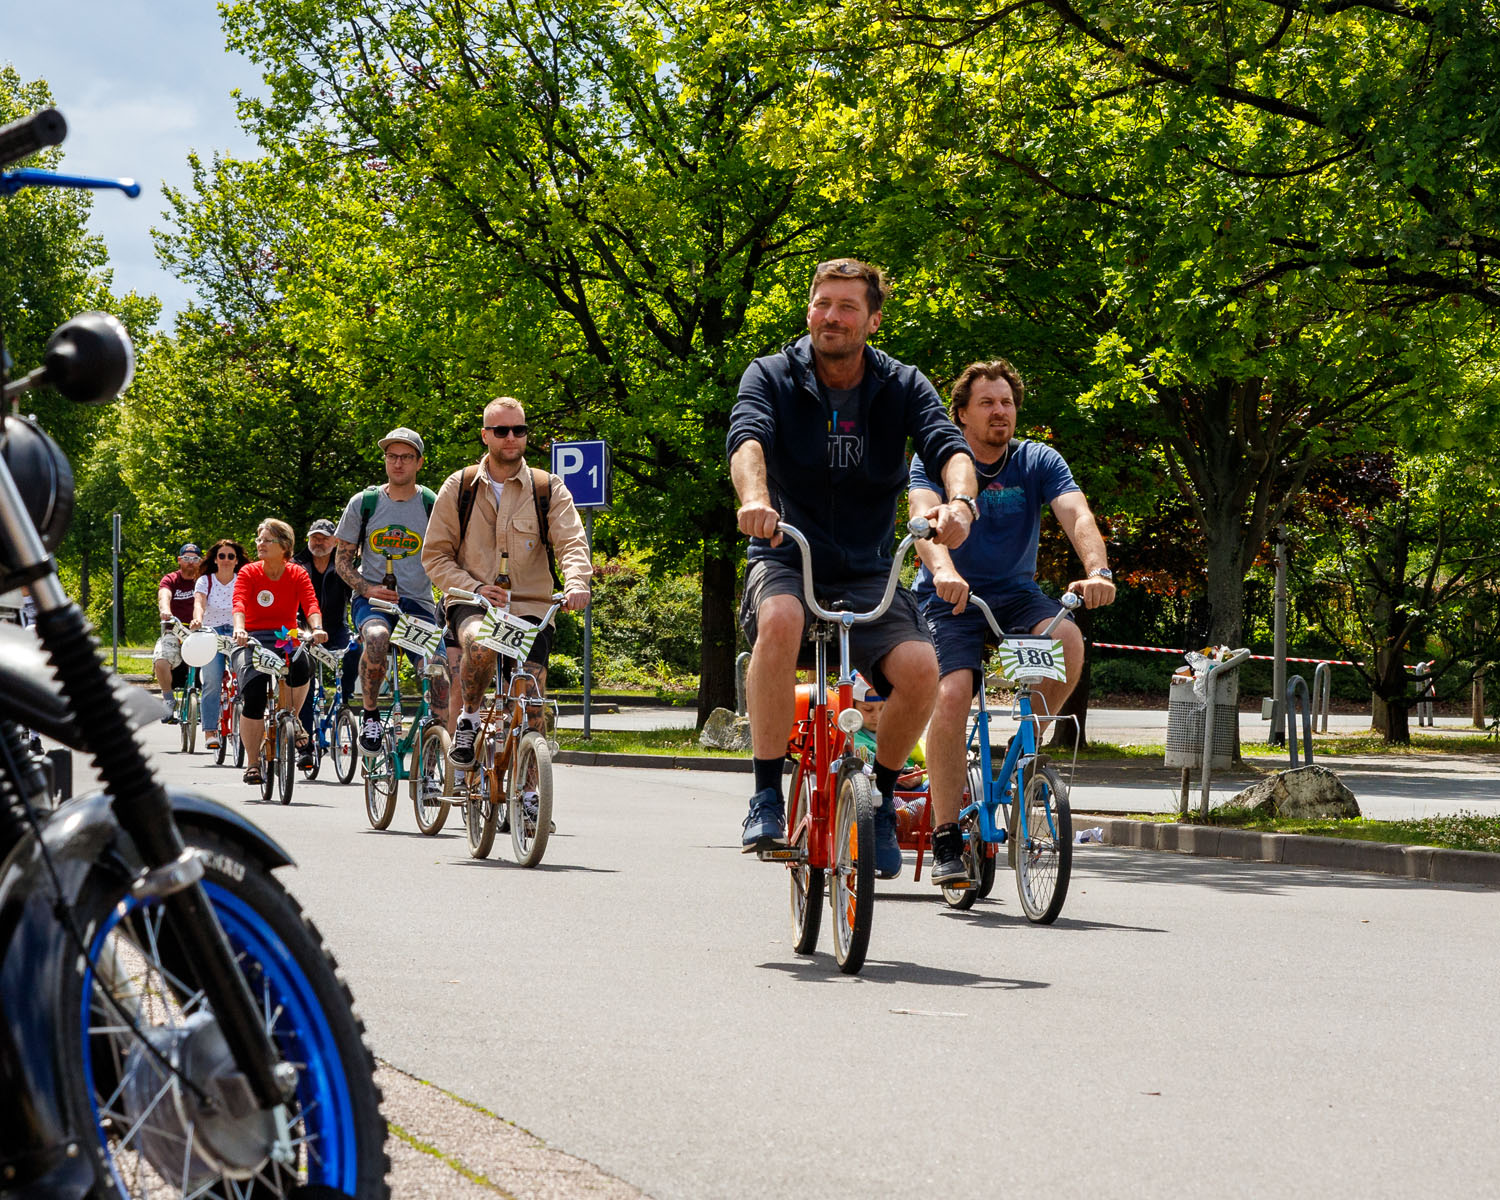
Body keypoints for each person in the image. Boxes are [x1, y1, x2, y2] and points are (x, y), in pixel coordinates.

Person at [728, 257, 978, 879]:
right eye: (823, 303)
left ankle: (883, 799)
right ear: (809, 309)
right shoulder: (772, 374)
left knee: (922, 669)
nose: (832, 317)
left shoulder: (902, 384)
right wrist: (755, 500)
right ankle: (765, 794)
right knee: (780, 620)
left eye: (847, 307)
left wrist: (960, 503)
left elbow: (948, 446)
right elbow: (748, 440)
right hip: (786, 551)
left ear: (873, 320)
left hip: (868, 568)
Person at [909, 358, 1115, 883]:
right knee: (954, 693)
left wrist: (1098, 571)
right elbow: (922, 523)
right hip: (950, 598)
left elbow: (1077, 514)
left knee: (1067, 638)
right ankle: (947, 834)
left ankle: (1024, 751)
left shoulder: (1037, 460)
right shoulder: (935, 460)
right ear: (961, 414)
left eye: (1007, 402)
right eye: (987, 403)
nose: (1000, 411)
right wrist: (945, 572)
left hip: (1016, 596)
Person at [422, 396, 592, 771]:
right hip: (473, 603)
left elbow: (572, 543)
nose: (511, 437)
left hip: (531, 607)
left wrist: (577, 582)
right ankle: (469, 717)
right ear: (486, 435)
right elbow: (435, 556)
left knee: (532, 701)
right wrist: (475, 588)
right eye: (501, 430)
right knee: (481, 643)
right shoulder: (460, 486)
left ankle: (530, 792)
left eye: (519, 429)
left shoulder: (548, 488)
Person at [334, 427, 448, 753]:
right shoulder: (365, 502)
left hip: (417, 605)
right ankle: (370, 715)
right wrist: (367, 588)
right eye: (392, 456)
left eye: (406, 457)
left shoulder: (431, 504)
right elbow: (342, 562)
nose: (398, 463)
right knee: (376, 637)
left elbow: (449, 556)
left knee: (438, 668)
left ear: (419, 462)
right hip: (373, 604)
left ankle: (436, 746)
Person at [232, 519, 327, 786]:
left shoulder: (297, 573)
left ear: (284, 546)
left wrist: (317, 628)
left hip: (285, 636)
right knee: (254, 695)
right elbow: (239, 603)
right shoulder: (249, 572)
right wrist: (239, 629)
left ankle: (292, 717)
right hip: (252, 638)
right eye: (259, 539)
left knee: (303, 665)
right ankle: (253, 764)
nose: (260, 544)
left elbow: (311, 604)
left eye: (267, 540)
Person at [294, 517, 359, 764]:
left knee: (356, 650)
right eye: (315, 537)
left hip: (336, 629)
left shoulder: (343, 566)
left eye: (324, 538)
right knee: (305, 683)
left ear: (335, 542)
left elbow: (355, 598)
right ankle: (305, 747)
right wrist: (296, 629)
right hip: (303, 630)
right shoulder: (296, 565)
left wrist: (360, 627)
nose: (318, 542)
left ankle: (345, 697)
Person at [190, 538, 249, 751]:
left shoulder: (243, 579)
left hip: (236, 633)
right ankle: (210, 731)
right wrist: (197, 619)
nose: (226, 559)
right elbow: (199, 603)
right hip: (211, 633)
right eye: (221, 556)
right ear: (215, 559)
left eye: (230, 556)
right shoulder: (205, 581)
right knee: (212, 682)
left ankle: (247, 728)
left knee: (245, 680)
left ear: (236, 560)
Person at [154, 543, 203, 724]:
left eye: (195, 559)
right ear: (179, 560)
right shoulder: (171, 579)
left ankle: (207, 703)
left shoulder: (204, 581)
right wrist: (165, 610)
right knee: (161, 661)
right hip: (175, 630)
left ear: (200, 561)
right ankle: (168, 700)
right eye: (187, 558)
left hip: (201, 632)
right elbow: (164, 595)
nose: (191, 562)